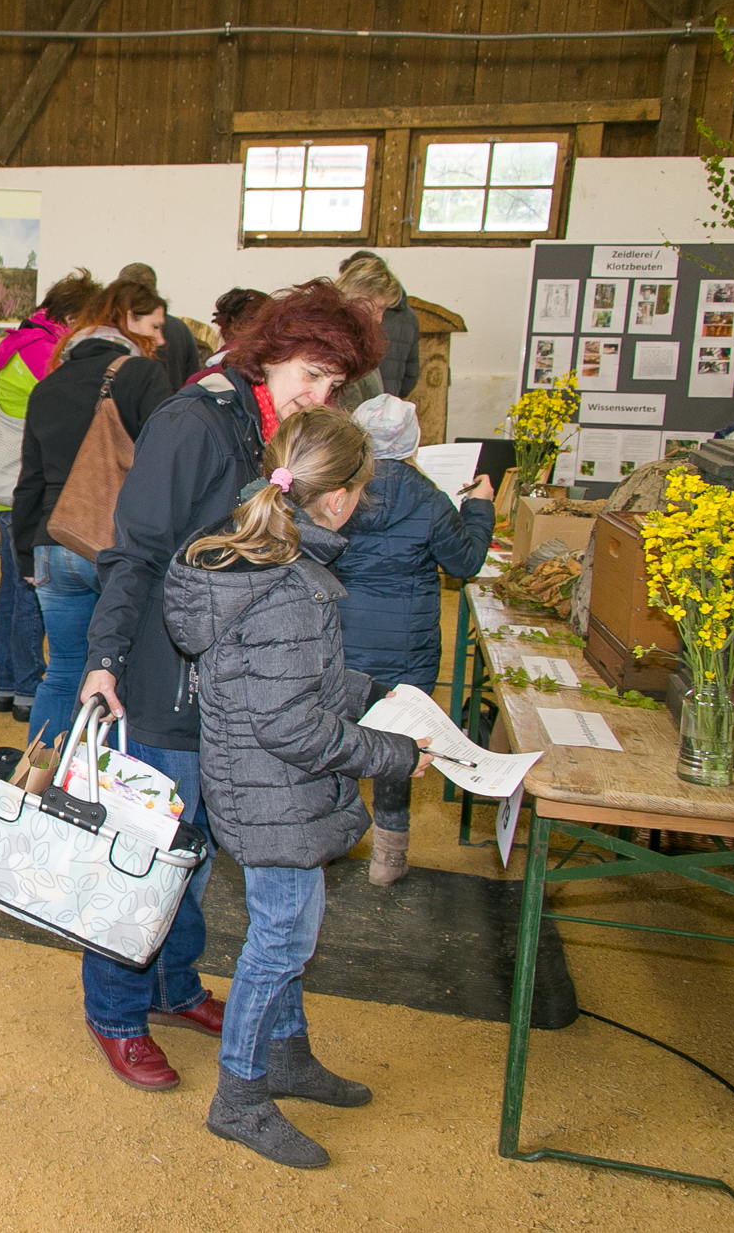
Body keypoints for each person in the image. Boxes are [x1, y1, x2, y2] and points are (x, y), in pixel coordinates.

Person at [77, 281, 387, 1092]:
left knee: (202, 851)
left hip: (236, 691)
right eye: (313, 375)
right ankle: (115, 1010)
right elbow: (133, 551)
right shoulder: (195, 421)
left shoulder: (273, 429)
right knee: (146, 857)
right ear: (273, 350)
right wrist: (103, 658)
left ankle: (176, 985)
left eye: (334, 386)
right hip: (165, 683)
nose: (321, 397)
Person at [162, 406, 432, 1169]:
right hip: (275, 785)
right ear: (340, 498)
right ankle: (240, 1095)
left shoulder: (256, 559)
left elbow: (274, 677)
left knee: (288, 929)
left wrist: (368, 689)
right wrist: (392, 754)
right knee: (281, 939)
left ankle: (287, 1054)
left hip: (262, 782)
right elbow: (292, 726)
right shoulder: (289, 586)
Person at [332, 395, 495, 883]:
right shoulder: (429, 498)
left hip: (341, 637)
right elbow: (464, 563)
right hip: (409, 647)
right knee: (402, 746)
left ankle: (329, 842)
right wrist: (480, 509)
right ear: (413, 441)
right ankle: (389, 857)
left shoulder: (337, 490)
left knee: (333, 737)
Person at [13, 281, 176, 746]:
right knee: (118, 674)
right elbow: (165, 462)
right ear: (127, 324)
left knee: (62, 670)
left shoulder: (46, 388)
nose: (161, 339)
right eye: (155, 328)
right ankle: (98, 789)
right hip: (118, 546)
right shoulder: (143, 376)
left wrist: (27, 557)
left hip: (53, 541)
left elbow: (29, 482)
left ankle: (36, 785)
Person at [0, 270, 101, 720]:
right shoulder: (45, 356)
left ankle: (7, 684)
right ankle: (29, 688)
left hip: (5, 482)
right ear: (71, 316)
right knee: (32, 591)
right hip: (26, 485)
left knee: (12, 590)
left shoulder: (20, 342)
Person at [337, 251, 419, 398]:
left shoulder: (362, 336)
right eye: (379, 308)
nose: (380, 319)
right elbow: (411, 376)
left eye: (384, 309)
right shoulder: (340, 334)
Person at [117, 263, 203, 387]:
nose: (160, 340)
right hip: (175, 402)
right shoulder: (180, 328)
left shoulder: (124, 327)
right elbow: (194, 378)